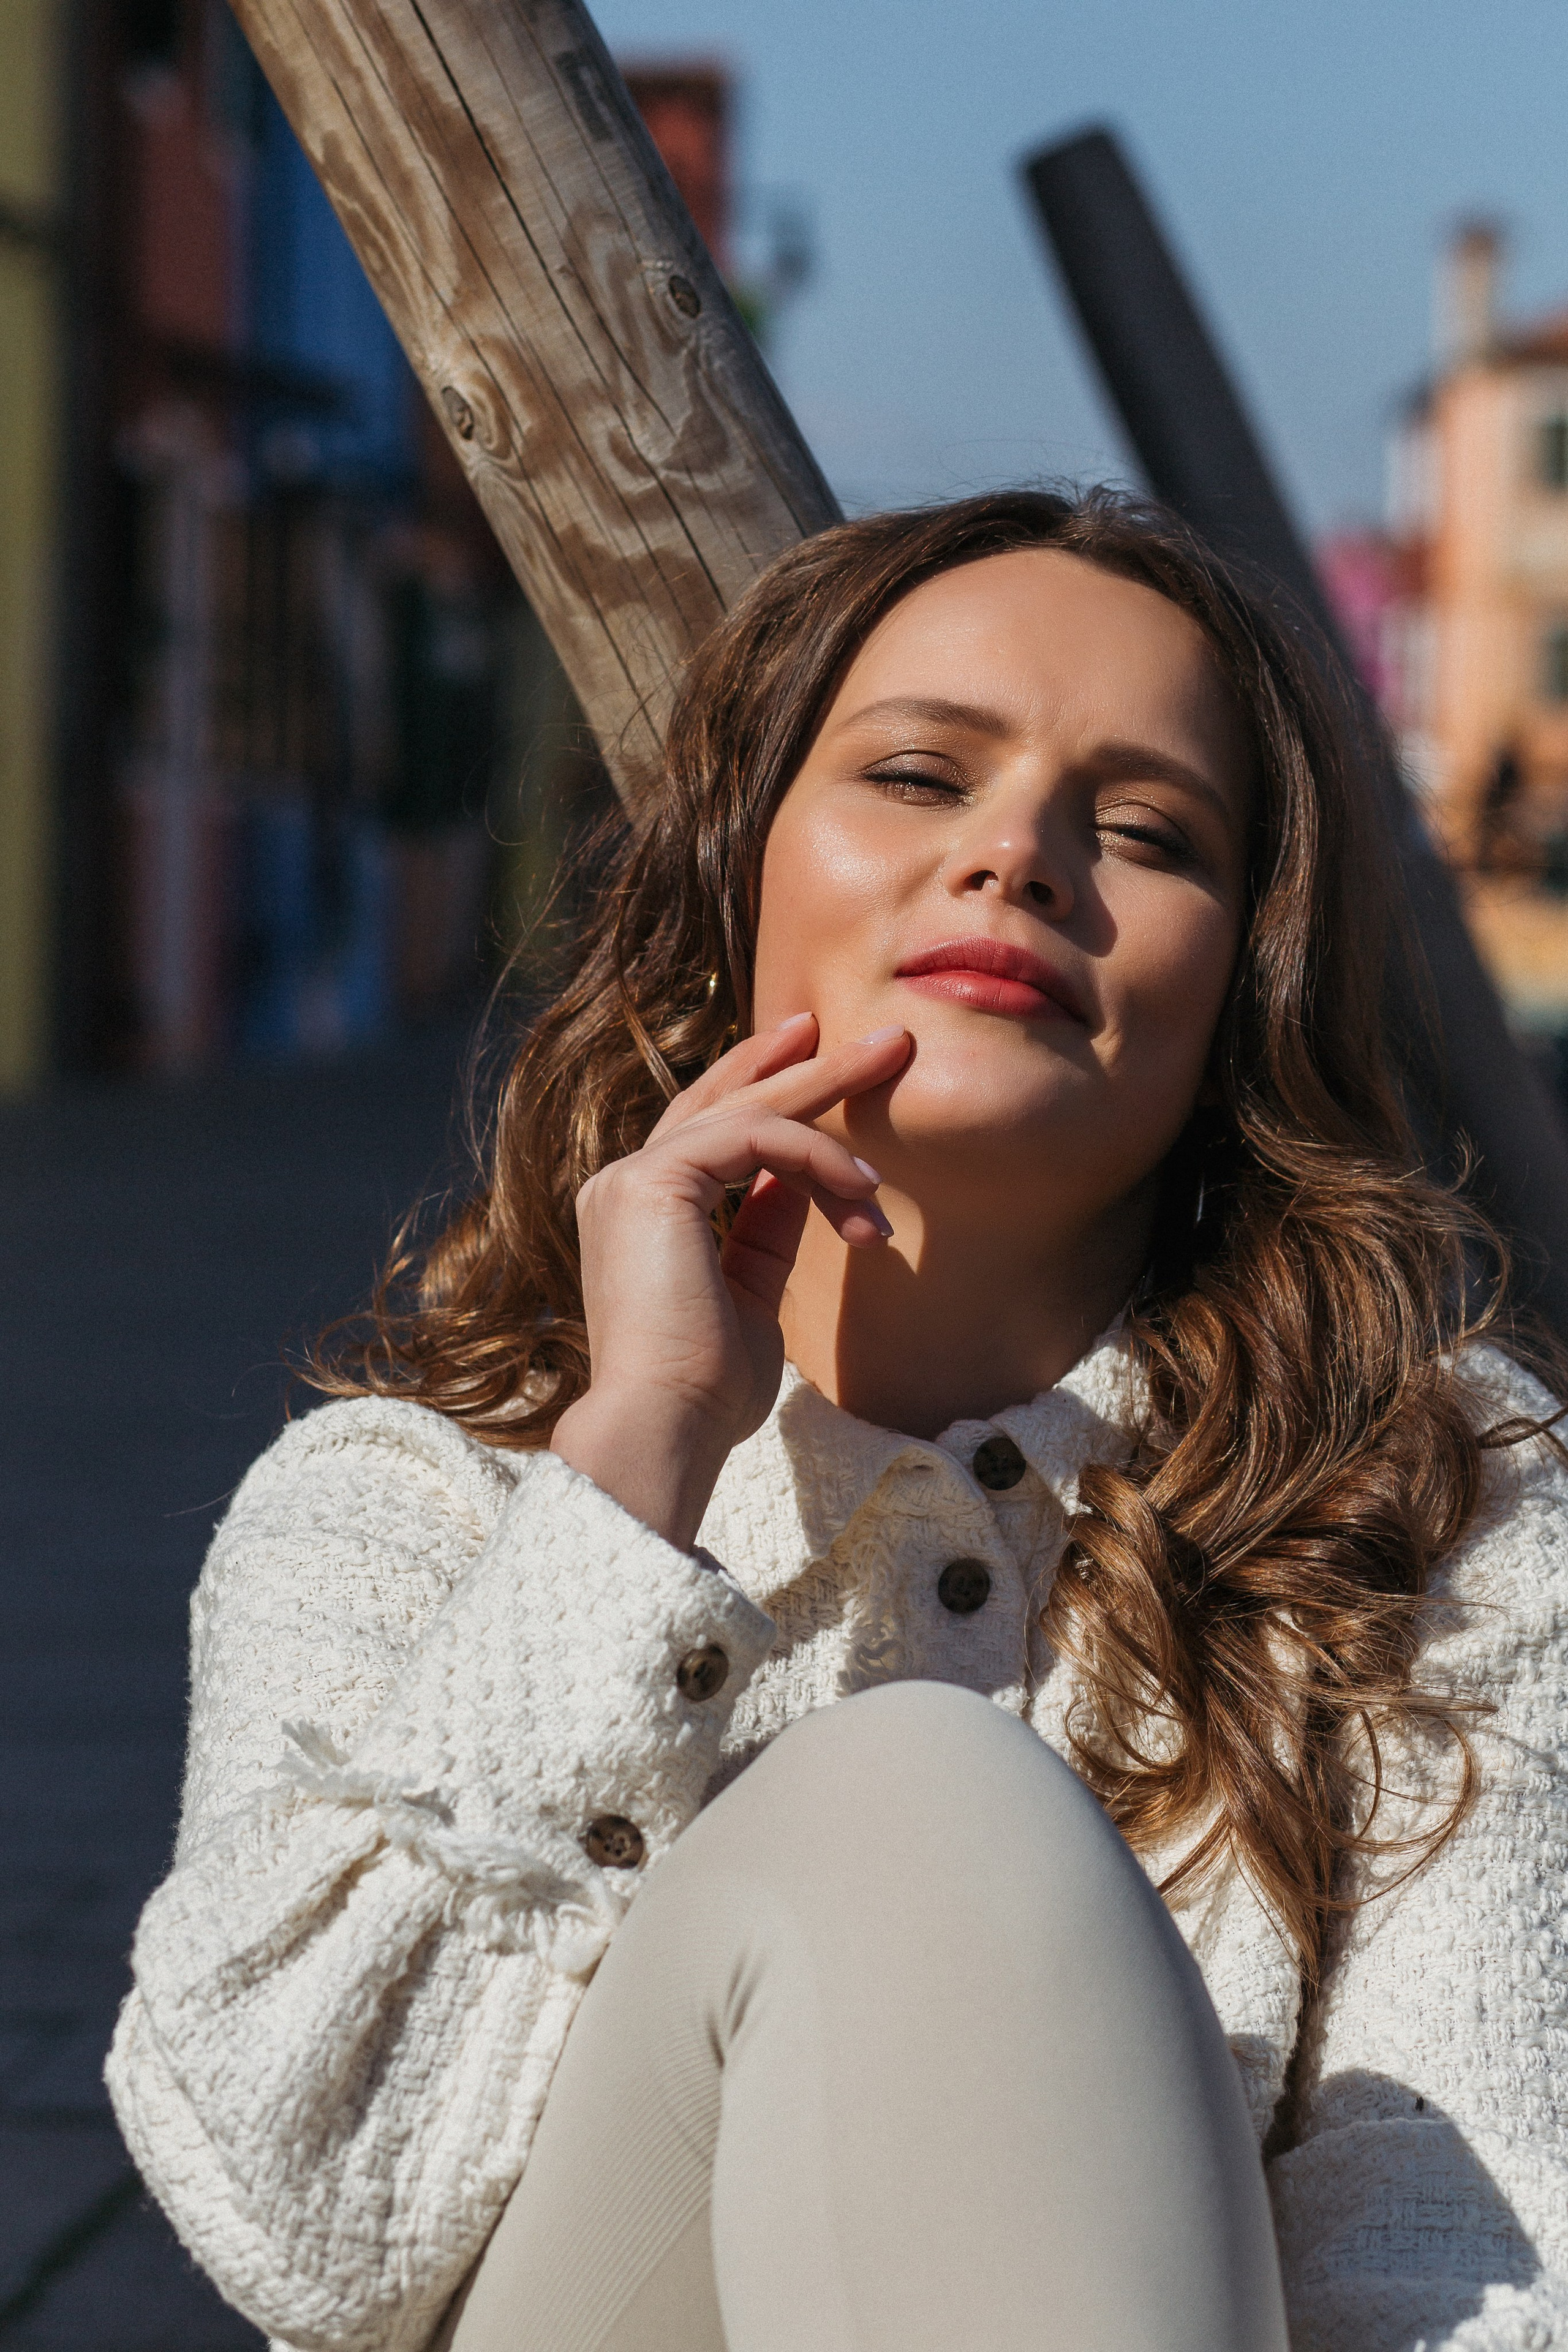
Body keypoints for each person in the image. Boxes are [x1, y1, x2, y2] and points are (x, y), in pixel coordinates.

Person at [108, 491, 1568, 2352]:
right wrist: (634, 1466)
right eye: (915, 776)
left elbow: (1461, 2246)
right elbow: (306, 2223)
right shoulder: (402, 1510)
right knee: (920, 1793)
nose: (1021, 855)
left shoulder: (1444, 1505)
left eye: (1143, 829)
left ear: (1241, 990)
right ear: (736, 880)